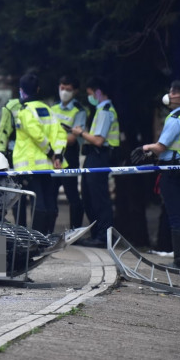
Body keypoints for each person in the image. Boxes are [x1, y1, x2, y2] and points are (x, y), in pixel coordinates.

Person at [140, 80, 180, 270]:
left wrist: (145, 148)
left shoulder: (175, 118)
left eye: (173, 93)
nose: (169, 95)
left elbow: (161, 147)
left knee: (176, 217)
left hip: (171, 171)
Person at [4, 72, 66, 234]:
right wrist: (58, 155)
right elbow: (59, 134)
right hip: (47, 165)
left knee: (37, 201)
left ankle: (36, 237)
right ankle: (46, 234)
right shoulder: (47, 110)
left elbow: (37, 135)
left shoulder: (25, 112)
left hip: (30, 164)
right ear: (38, 89)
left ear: (21, 91)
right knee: (47, 199)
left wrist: (50, 152)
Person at [71, 77, 119, 247]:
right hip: (94, 156)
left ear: (98, 92)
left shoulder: (105, 110)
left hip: (100, 155)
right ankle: (97, 234)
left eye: (90, 93)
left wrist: (80, 133)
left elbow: (98, 140)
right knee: (89, 196)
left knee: (99, 198)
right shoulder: (100, 110)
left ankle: (103, 237)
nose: (89, 96)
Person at [50, 75, 88, 230]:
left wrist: (55, 138)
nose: (64, 92)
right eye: (62, 88)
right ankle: (47, 231)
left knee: (72, 195)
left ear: (75, 91)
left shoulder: (79, 111)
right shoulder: (52, 109)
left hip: (69, 156)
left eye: (68, 89)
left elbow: (73, 138)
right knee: (50, 195)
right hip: (52, 156)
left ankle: (75, 230)